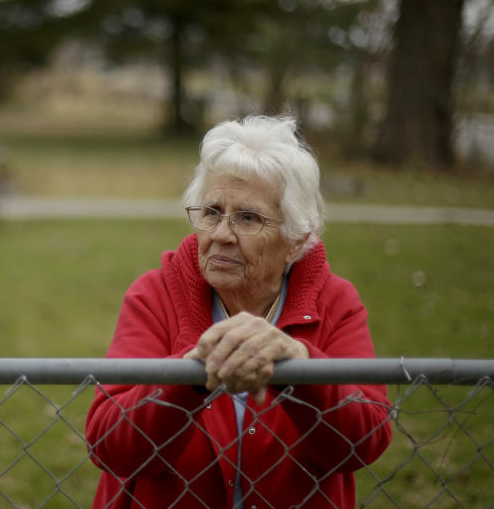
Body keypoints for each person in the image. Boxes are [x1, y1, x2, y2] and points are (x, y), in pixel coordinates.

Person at [85, 115, 393, 509]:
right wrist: (191, 374)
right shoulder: (154, 295)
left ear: (296, 237)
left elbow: (362, 444)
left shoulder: (336, 303)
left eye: (248, 217)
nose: (220, 235)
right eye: (212, 212)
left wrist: (302, 367)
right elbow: (110, 447)